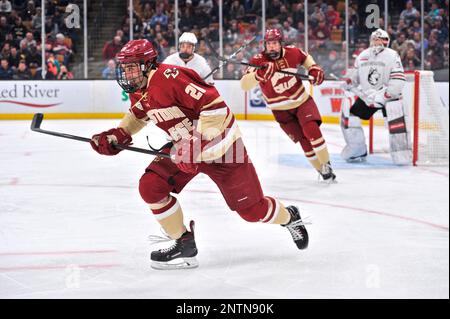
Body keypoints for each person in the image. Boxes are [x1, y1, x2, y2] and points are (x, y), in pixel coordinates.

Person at [89, 39, 309, 270]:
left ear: (148, 64)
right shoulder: (140, 88)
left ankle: (290, 217)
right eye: (125, 68)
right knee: (151, 187)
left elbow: (215, 106)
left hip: (223, 148)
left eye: (132, 67)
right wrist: (118, 135)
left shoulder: (170, 77)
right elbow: (138, 114)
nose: (127, 73)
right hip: (184, 147)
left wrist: (195, 144)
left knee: (252, 211)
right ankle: (184, 243)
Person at [240, 29, 336, 182]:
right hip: (280, 110)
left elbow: (305, 58)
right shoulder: (258, 61)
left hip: (301, 101)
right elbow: (244, 85)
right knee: (304, 141)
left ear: (281, 44)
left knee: (311, 130)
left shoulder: (292, 52)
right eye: (269, 44)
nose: (271, 47)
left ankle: (326, 165)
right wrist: (258, 75)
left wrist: (314, 68)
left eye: (275, 43)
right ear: (265, 45)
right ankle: (323, 172)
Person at [340, 28, 409, 164]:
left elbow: (398, 79)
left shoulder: (392, 55)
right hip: (368, 97)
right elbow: (355, 75)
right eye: (375, 39)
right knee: (350, 117)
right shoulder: (362, 55)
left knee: (397, 124)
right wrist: (349, 81)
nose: (377, 42)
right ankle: (357, 150)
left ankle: (401, 154)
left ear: (386, 41)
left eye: (380, 39)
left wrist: (384, 96)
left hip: (389, 97)